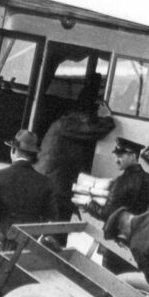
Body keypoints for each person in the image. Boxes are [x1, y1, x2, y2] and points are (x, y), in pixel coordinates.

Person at [0, 130, 59, 297]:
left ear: (13, 151)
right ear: (33, 155)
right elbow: (53, 218)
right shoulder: (45, 183)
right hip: (28, 246)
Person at [36, 73, 115, 222]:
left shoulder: (63, 124)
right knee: (55, 230)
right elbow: (94, 130)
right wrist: (107, 118)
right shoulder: (67, 126)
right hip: (55, 187)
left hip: (52, 184)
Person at [88, 137, 149, 274]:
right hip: (137, 243)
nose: (116, 159)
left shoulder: (121, 182)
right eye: (116, 155)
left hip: (116, 241)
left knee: (110, 277)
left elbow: (108, 213)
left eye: (121, 155)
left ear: (133, 156)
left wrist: (89, 204)